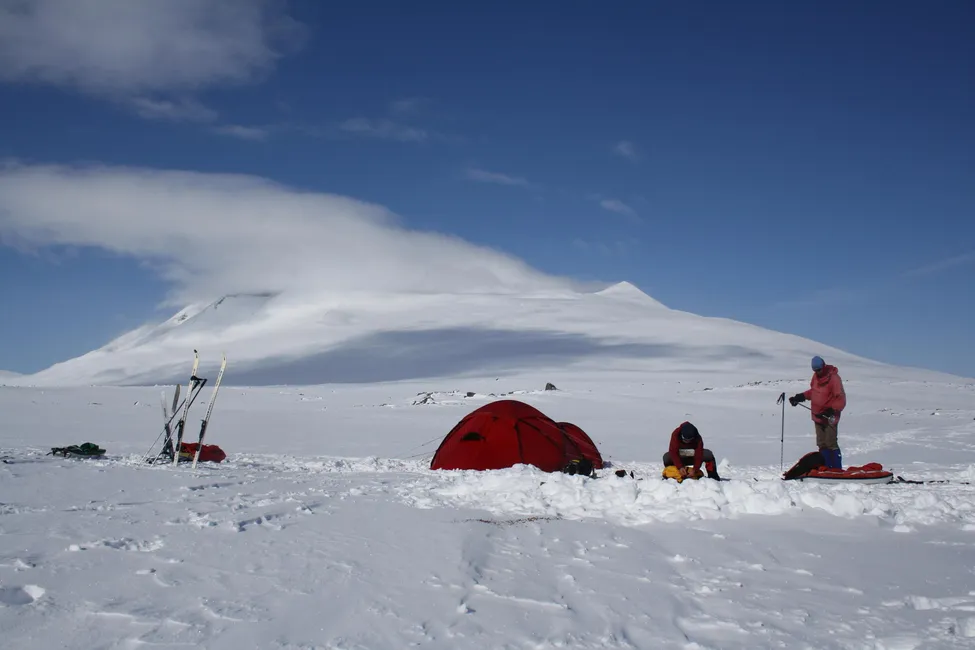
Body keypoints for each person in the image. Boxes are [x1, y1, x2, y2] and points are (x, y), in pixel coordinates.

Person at [789, 355, 846, 469]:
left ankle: (836, 469)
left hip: (830, 417)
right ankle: (826, 467)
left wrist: (831, 410)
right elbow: (814, 392)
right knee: (821, 444)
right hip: (818, 416)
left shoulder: (834, 378)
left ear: (823, 366)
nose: (817, 372)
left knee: (831, 443)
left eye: (819, 370)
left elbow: (841, 398)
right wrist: (800, 397)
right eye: (815, 370)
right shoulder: (815, 377)